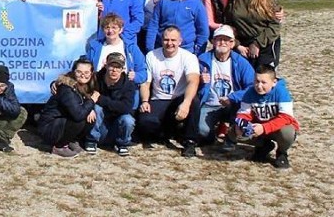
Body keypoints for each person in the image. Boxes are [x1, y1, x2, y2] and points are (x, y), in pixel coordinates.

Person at [138, 27, 201, 157]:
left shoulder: (189, 57)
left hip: (178, 98)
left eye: (173, 40)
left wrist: (186, 103)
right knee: (145, 122)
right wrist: (145, 100)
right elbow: (146, 82)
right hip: (159, 98)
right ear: (161, 40)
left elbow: (193, 81)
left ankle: (190, 142)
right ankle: (167, 132)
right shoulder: (152, 55)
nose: (169, 43)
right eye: (166, 39)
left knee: (193, 101)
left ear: (180, 41)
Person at [197, 25, 255, 149]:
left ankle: (230, 135)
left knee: (244, 129)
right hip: (209, 104)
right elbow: (190, 83)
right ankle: (213, 136)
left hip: (233, 105)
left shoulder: (241, 63)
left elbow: (252, 87)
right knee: (202, 131)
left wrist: (233, 97)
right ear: (212, 41)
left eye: (226, 39)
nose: (222, 42)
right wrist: (200, 81)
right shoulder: (202, 60)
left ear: (232, 43)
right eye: (218, 39)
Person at [231, 65, 299, 169]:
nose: (259, 86)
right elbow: (244, 113)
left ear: (274, 82)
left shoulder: (281, 92)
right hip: (259, 128)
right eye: (257, 81)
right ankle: (263, 146)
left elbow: (286, 117)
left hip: (277, 129)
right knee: (233, 132)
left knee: (287, 133)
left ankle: (281, 152)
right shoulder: (250, 92)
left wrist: (264, 128)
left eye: (263, 82)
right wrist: (242, 123)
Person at [225, 0, 282, 69]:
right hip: (243, 45)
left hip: (266, 42)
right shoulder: (233, 0)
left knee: (263, 77)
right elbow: (228, 24)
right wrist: (237, 45)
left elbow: (275, 24)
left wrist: (257, 44)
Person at [37, 59, 96, 158]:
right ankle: (59, 147)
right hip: (50, 126)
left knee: (91, 117)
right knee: (80, 119)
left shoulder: (88, 84)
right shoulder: (66, 88)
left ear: (91, 73)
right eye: (79, 72)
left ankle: (71, 141)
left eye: (86, 72)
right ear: (73, 72)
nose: (83, 75)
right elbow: (77, 115)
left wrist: (90, 107)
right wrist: (91, 102)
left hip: (63, 121)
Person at [145, 0, 209, 55]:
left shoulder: (197, 3)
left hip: (186, 50)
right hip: (162, 48)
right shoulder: (164, 1)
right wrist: (150, 48)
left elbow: (203, 31)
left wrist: (198, 53)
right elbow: (153, 25)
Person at [85, 53, 137, 156]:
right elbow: (79, 81)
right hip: (100, 125)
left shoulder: (129, 85)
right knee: (96, 108)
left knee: (128, 120)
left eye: (118, 67)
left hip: (117, 126)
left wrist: (101, 99)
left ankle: (123, 144)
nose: (114, 70)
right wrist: (56, 83)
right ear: (106, 65)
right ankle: (92, 140)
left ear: (123, 69)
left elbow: (126, 108)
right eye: (112, 66)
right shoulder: (95, 78)